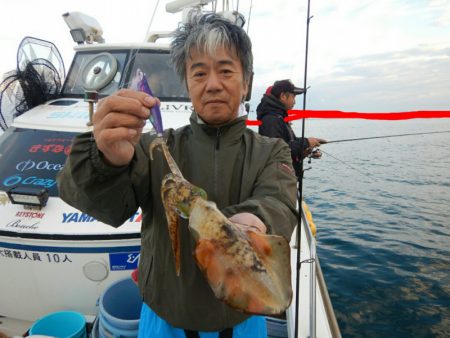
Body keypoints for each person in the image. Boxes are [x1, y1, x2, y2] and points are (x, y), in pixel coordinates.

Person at [57, 13, 298, 338]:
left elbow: (279, 202)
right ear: (187, 82)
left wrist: (254, 221)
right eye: (199, 72)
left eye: (226, 70)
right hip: (164, 319)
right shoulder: (153, 147)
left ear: (246, 82)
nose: (212, 83)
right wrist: (107, 159)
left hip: (242, 317)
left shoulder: (272, 151)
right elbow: (107, 206)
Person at [256, 79, 326, 177]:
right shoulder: (271, 119)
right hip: (278, 182)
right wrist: (306, 142)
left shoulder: (278, 117)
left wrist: (305, 150)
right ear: (283, 96)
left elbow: (287, 146)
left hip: (286, 179)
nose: (295, 101)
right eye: (293, 97)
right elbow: (276, 151)